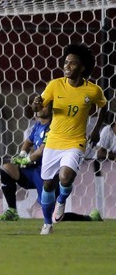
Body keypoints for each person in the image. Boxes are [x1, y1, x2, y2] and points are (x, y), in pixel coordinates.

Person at [31, 44, 107, 235]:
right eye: (66, 62)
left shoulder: (93, 90)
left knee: (65, 177)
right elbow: (39, 107)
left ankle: (62, 200)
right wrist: (36, 105)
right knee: (48, 184)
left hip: (75, 142)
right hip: (53, 141)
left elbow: (103, 106)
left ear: (82, 68)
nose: (67, 66)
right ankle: (47, 224)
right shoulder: (55, 85)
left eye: (72, 64)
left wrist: (97, 129)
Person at [0, 96, 102, 222]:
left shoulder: (54, 127)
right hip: (34, 170)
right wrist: (22, 154)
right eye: (40, 105)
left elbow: (42, 150)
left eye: (45, 105)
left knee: (51, 217)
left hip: (49, 174)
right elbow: (28, 141)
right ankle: (12, 211)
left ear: (52, 108)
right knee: (6, 169)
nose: (41, 107)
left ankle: (89, 218)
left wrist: (26, 160)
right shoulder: (37, 126)